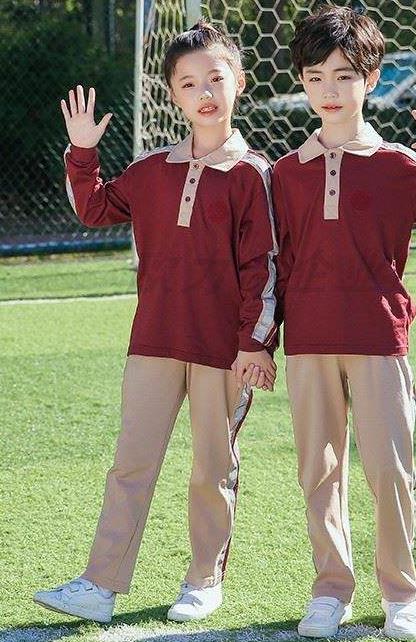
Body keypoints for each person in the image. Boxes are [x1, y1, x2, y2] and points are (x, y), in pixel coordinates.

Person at [34, 20, 278, 624]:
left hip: (224, 351)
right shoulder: (150, 171)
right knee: (131, 463)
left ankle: (202, 581)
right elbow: (94, 209)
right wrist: (83, 151)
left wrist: (255, 344)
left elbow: (265, 266)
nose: (204, 92)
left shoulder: (254, 174)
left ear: (239, 82)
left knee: (212, 467)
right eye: (189, 83)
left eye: (215, 78)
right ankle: (100, 584)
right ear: (172, 94)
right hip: (153, 343)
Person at [272, 5, 416, 640]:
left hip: (378, 338)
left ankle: (400, 595)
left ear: (370, 79)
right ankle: (330, 590)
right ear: (303, 83)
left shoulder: (397, 165)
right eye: (315, 77)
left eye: (344, 75)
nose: (329, 90)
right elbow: (274, 265)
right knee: (319, 472)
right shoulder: (284, 173)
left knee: (390, 471)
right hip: (307, 343)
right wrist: (259, 340)